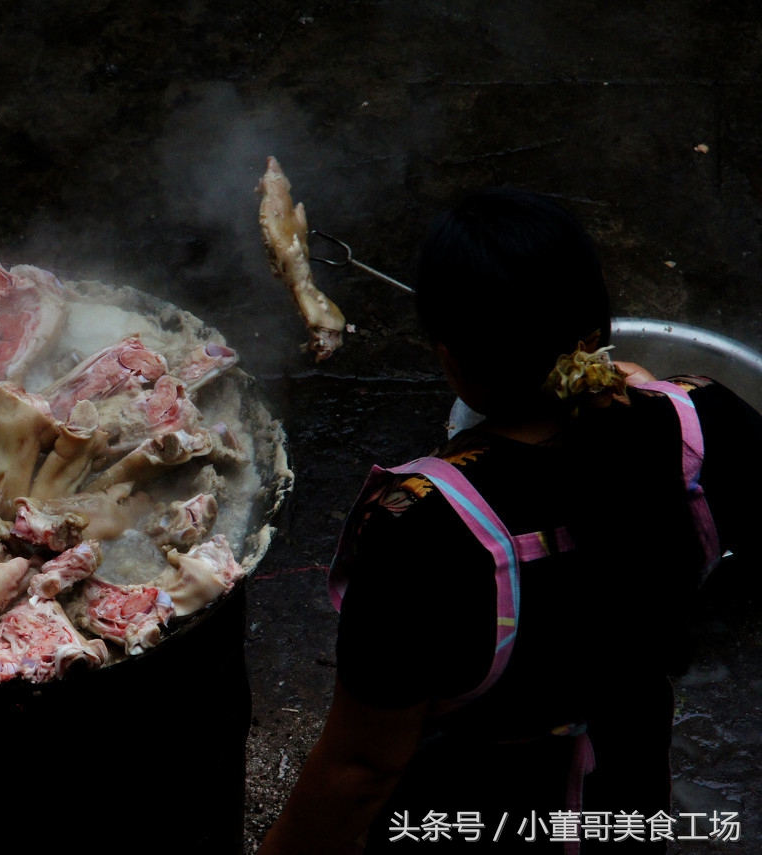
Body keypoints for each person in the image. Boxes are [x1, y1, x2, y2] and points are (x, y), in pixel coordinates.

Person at [259, 188, 762, 853]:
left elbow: (362, 768)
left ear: (451, 358)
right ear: (596, 330)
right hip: (625, 794)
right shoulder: (703, 423)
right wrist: (651, 401)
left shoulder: (421, 530)